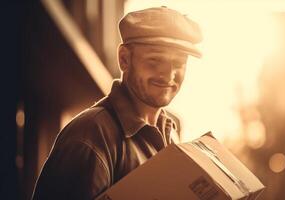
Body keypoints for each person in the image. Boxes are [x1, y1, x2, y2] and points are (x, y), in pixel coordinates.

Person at [32, 6, 202, 200]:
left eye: (179, 64)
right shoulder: (90, 136)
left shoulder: (171, 132)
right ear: (124, 59)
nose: (169, 75)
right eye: (155, 60)